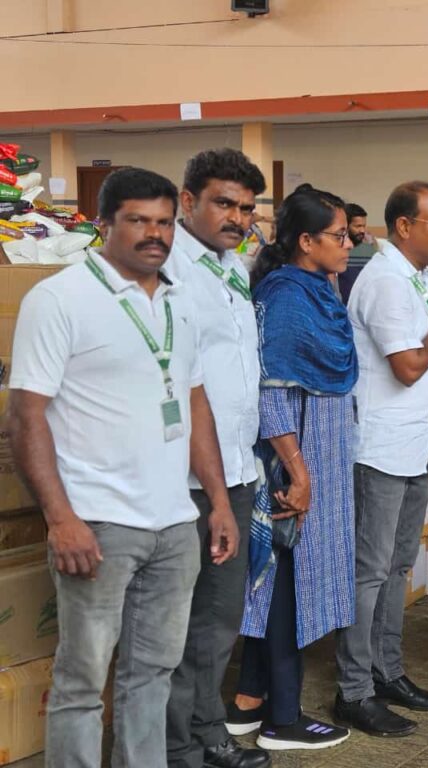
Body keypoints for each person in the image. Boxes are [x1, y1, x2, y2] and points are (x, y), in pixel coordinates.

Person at [8, 167, 238, 768]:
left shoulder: (178, 302)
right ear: (104, 223)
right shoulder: (58, 300)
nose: (154, 234)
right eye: (138, 220)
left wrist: (214, 502)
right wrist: (61, 520)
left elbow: (194, 404)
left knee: (152, 676)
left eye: (163, 222)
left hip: (173, 524)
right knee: (83, 682)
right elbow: (25, 417)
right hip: (98, 524)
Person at [334, 181, 428, 737]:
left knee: (398, 567)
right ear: (404, 227)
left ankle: (387, 670)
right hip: (379, 448)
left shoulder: (417, 278)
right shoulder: (386, 283)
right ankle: (353, 691)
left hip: (413, 442)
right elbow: (407, 367)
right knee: (369, 572)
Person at [229, 184, 356, 751]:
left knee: (280, 582)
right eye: (338, 235)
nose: (348, 243)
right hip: (293, 465)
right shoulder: (285, 297)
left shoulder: (317, 289)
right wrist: (299, 473)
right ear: (305, 242)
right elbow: (271, 394)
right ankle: (284, 718)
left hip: (319, 462)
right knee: (284, 585)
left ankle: (246, 704)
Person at [163, 148, 270, 768]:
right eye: (224, 203)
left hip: (238, 469)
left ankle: (208, 731)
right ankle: (180, 747)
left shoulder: (233, 268)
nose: (237, 217)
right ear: (187, 202)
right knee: (181, 623)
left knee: (220, 618)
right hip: (188, 475)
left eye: (246, 208)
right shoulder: (169, 268)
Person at [337, 202, 376, 303]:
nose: (362, 230)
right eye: (358, 226)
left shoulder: (371, 251)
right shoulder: (336, 251)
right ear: (346, 225)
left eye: (364, 226)